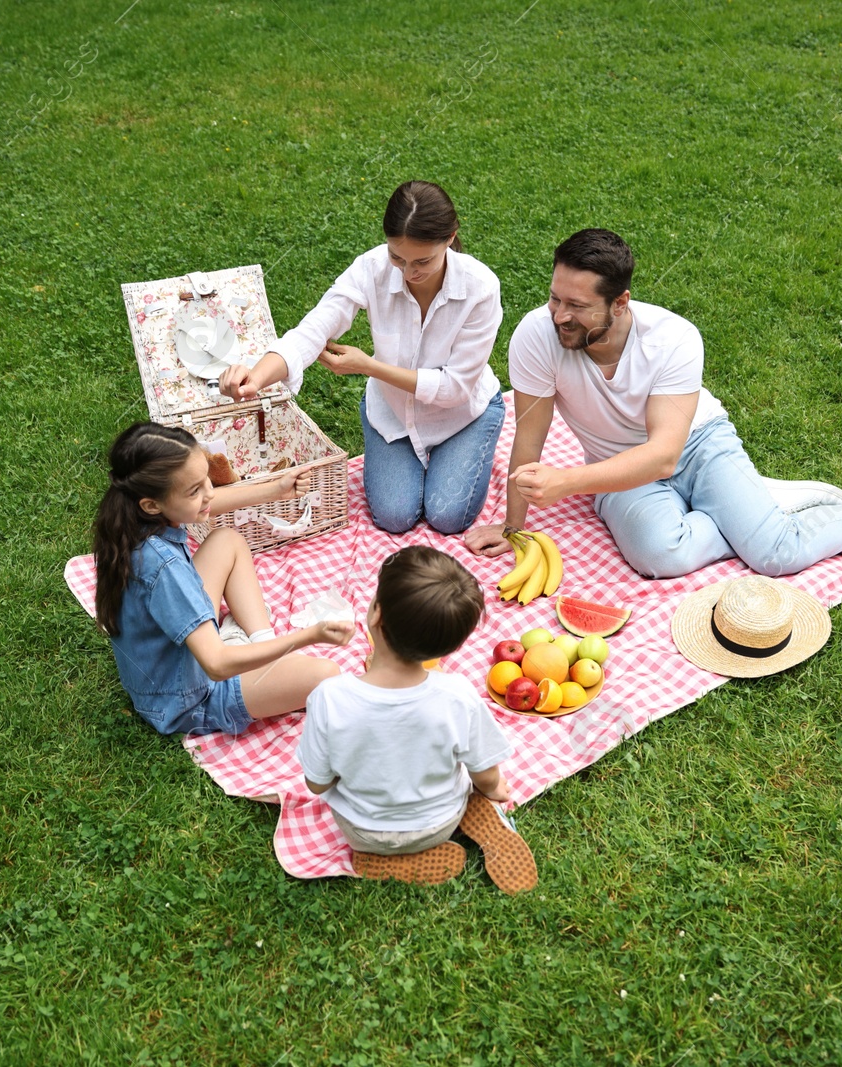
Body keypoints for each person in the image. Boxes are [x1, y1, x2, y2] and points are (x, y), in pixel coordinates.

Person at [464, 229, 842, 578]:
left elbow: (666, 454)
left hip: (696, 445)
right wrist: (514, 529)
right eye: (556, 298)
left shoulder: (673, 338)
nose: (559, 316)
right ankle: (758, 507)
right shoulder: (537, 335)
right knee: (657, 556)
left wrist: (567, 483)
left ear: (620, 302)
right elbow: (529, 438)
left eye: (577, 305)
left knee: (776, 556)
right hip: (614, 468)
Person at [219, 181, 505, 535]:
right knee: (395, 517)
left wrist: (369, 367)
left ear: (450, 238)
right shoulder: (371, 268)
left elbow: (455, 388)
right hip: (394, 411)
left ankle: (468, 448)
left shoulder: (481, 287)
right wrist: (257, 378)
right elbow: (315, 328)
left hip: (461, 414)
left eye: (423, 261)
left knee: (447, 516)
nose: (408, 272)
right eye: (397, 257)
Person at [297, 546, 538, 892]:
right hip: (440, 821)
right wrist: (493, 790)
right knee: (469, 787)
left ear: (375, 615)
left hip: (361, 830)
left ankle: (380, 858)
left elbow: (316, 784)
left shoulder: (329, 697)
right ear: (448, 648)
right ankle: (476, 823)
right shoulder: (458, 695)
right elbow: (484, 772)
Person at [93, 421, 355, 736]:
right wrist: (309, 636)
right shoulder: (164, 568)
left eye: (206, 479)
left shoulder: (134, 517)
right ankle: (267, 658)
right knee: (326, 674)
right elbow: (216, 665)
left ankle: (263, 646)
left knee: (226, 540)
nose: (208, 493)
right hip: (189, 699)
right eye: (195, 490)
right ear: (152, 505)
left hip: (167, 667)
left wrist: (276, 490)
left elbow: (206, 502)